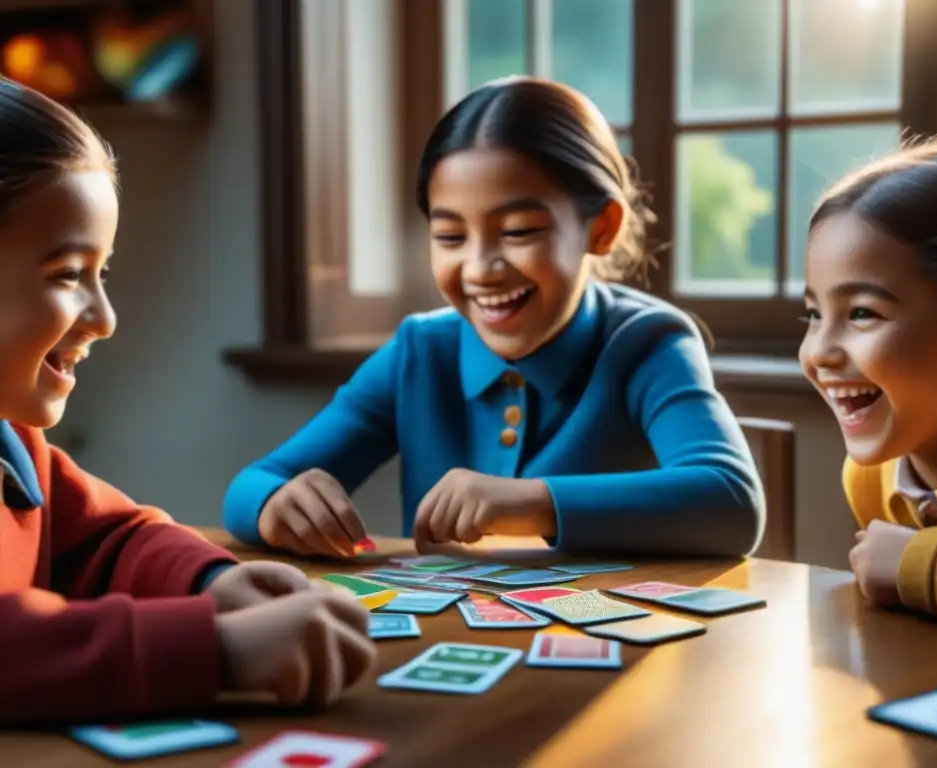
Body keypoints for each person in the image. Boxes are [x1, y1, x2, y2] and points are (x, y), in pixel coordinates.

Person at [224, 76, 765, 559]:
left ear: (601, 229)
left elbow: (732, 501)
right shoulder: (419, 352)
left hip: (607, 654)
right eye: (450, 237)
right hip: (448, 652)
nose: (481, 268)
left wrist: (527, 502)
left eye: (519, 231)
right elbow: (253, 484)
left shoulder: (648, 343)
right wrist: (275, 500)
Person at [0, 78, 375, 723]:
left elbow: (104, 541)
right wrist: (218, 647)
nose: (106, 317)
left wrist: (210, 582)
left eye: (103, 273)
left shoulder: (16, 445)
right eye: (68, 275)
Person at [800, 139, 937, 638]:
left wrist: (914, 564)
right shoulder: (872, 477)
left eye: (861, 313)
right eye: (814, 315)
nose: (818, 352)